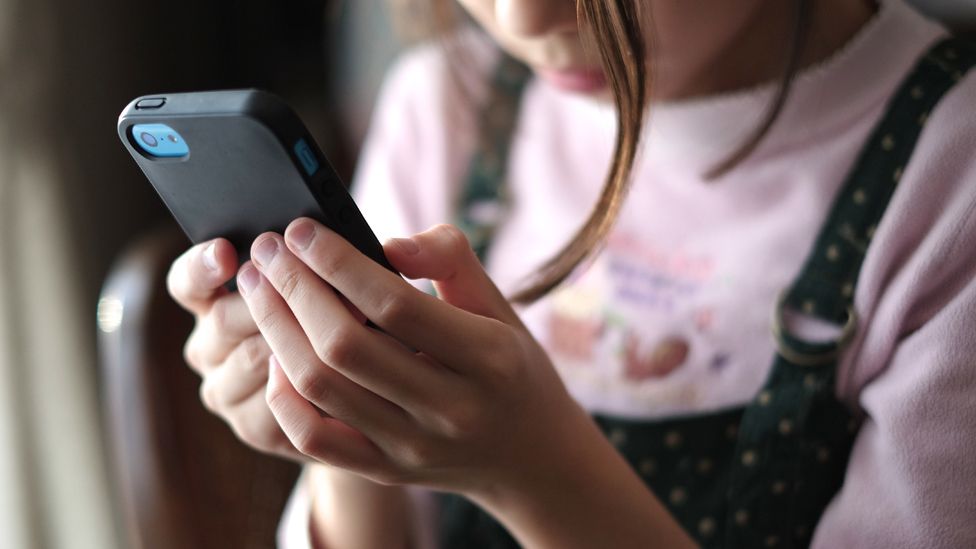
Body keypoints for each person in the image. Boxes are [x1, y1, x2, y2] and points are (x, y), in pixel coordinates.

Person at [166, 0, 976, 547]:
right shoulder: (449, 107)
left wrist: (530, 471)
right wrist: (342, 425)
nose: (524, 15)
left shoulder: (947, 178)